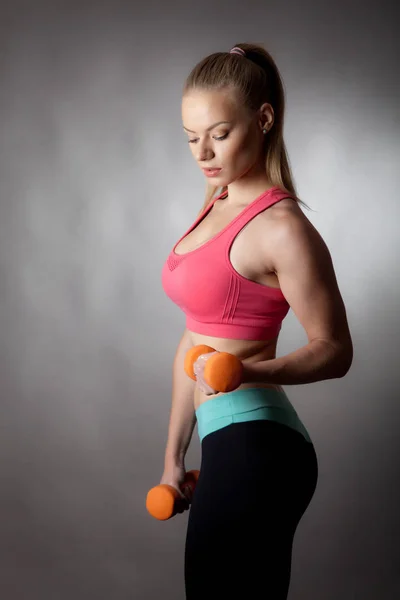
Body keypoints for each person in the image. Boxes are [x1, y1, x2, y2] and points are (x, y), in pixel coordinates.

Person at [159, 43, 353, 599]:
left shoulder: (283, 227)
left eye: (218, 133)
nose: (203, 151)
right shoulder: (214, 202)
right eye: (191, 137)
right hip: (223, 441)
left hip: (260, 447)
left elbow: (335, 350)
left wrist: (251, 372)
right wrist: (173, 460)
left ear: (262, 118)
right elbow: (193, 338)